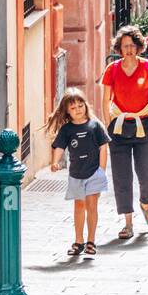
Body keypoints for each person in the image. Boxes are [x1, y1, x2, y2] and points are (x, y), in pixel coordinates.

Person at [101, 25, 148, 240]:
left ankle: (146, 203)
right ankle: (128, 223)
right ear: (119, 48)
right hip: (119, 128)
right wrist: (108, 124)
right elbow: (105, 99)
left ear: (138, 47)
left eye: (132, 46)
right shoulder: (112, 69)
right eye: (124, 46)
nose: (128, 50)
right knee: (121, 176)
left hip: (144, 125)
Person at [46, 88, 110, 257]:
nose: (78, 110)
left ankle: (91, 241)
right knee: (79, 206)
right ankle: (78, 241)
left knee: (92, 206)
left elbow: (103, 147)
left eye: (80, 106)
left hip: (94, 173)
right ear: (67, 111)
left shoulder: (95, 125)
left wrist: (101, 170)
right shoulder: (66, 129)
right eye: (73, 108)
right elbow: (59, 147)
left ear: (85, 106)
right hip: (76, 174)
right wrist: (54, 162)